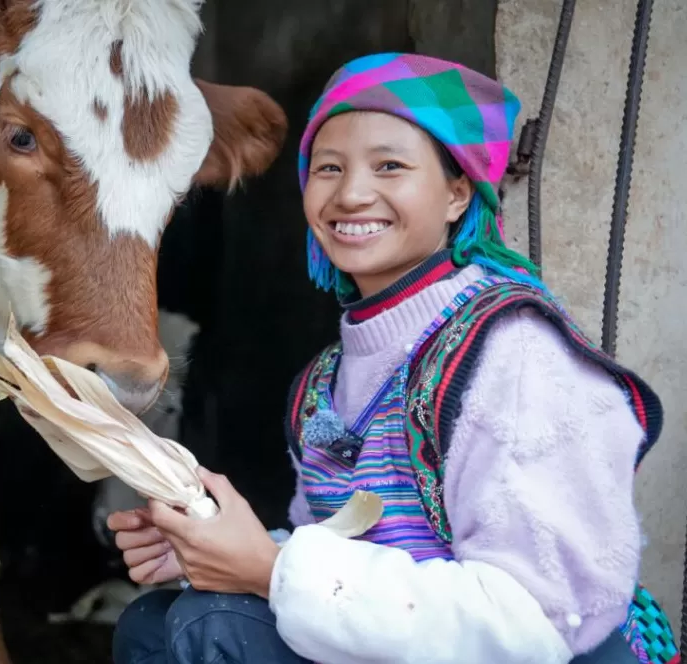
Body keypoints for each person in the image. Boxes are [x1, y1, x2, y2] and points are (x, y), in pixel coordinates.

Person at [106, 53, 680, 664]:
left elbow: (535, 625)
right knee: (152, 624)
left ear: (458, 192)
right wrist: (210, 550)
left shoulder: (515, 357)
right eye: (328, 168)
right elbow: (348, 544)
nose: (351, 194)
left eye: (390, 166)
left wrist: (271, 569)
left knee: (213, 625)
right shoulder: (327, 379)